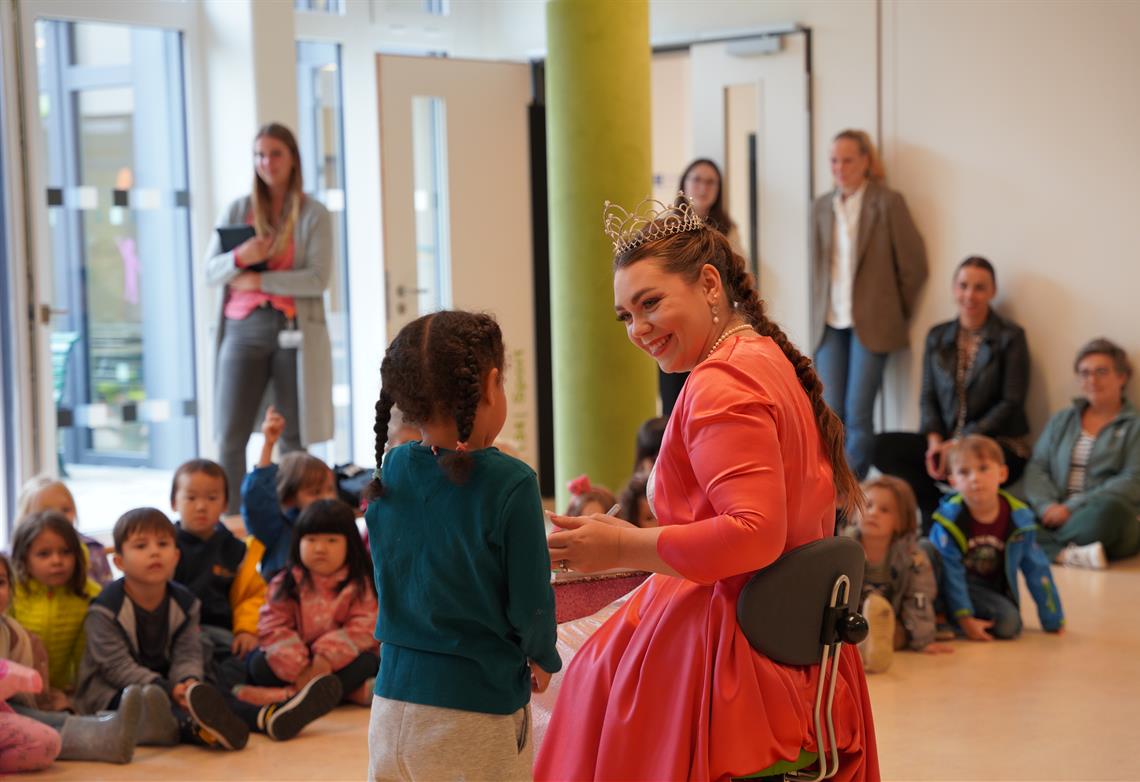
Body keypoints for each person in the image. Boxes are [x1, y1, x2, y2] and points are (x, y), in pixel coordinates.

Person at [536, 195, 877, 780]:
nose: (638, 330)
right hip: (792, 641)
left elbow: (754, 535)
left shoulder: (722, 383)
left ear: (710, 284)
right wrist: (639, 537)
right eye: (625, 316)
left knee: (573, 675)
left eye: (651, 304)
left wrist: (623, 548)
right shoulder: (763, 354)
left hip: (737, 651)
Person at [363, 310, 561, 781]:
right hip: (476, 710)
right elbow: (531, 601)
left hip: (390, 707)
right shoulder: (512, 483)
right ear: (492, 384)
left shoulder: (392, 468)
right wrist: (544, 655)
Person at [73, 508, 342, 750]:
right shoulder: (105, 609)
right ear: (119, 562)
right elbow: (116, 667)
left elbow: (187, 652)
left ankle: (267, 717)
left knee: (210, 691)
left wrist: (186, 681)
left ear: (176, 556)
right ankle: (199, 730)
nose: (154, 552)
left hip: (169, 680)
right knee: (152, 701)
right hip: (116, 689)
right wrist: (167, 687)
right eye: (141, 546)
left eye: (163, 544)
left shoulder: (185, 602)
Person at [205, 123, 334, 515]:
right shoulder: (238, 208)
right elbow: (210, 272)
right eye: (260, 155)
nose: (267, 162)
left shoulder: (314, 213)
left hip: (293, 328)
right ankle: (230, 520)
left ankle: (296, 516)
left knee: (294, 432)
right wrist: (242, 256)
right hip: (243, 328)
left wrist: (260, 278)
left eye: (275, 153)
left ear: (293, 158)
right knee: (231, 432)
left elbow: (317, 278)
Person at [874, 256, 1029, 529]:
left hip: (995, 443)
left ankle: (965, 520)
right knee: (881, 447)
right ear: (953, 288)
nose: (970, 294)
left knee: (984, 458)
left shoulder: (1010, 337)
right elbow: (928, 396)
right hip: (944, 443)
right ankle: (935, 513)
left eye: (980, 287)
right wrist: (935, 443)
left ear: (992, 292)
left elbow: (1011, 402)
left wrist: (962, 442)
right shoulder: (937, 335)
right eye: (963, 285)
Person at [811, 129, 928, 480]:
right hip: (830, 322)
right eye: (834, 160)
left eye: (848, 159)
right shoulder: (821, 206)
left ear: (866, 161)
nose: (840, 167)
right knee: (831, 412)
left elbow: (914, 265)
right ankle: (831, 491)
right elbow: (818, 269)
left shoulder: (887, 202)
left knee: (859, 413)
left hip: (872, 325)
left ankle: (849, 495)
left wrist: (893, 310)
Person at [1, 553, 141, 764]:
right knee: (36, 731)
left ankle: (105, 732)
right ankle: (102, 736)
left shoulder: (9, 631)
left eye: (0, 582)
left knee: (37, 719)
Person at [925, 436, 1064, 641]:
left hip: (984, 590)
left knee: (1010, 625)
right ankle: (941, 614)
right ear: (952, 481)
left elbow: (1038, 569)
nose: (974, 478)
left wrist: (1053, 619)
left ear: (1002, 473)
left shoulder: (1019, 520)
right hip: (945, 584)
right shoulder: (948, 521)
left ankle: (950, 618)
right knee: (925, 549)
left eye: (983, 468)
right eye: (964, 472)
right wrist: (965, 617)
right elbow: (951, 572)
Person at [248, 499, 379, 707]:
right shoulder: (286, 582)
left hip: (339, 660)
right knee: (258, 664)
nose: (320, 548)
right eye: (311, 539)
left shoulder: (360, 583)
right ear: (298, 542)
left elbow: (364, 627)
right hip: (296, 662)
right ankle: (340, 694)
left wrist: (326, 657)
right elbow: (273, 626)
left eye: (331, 540)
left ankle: (294, 696)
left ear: (350, 544)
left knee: (368, 662)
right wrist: (299, 667)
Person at [1023, 338, 1140, 568]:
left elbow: (1132, 480)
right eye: (1084, 373)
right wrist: (1047, 507)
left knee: (1111, 511)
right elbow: (1037, 467)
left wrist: (1070, 508)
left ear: (1122, 377)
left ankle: (1041, 545)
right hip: (1054, 513)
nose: (1092, 380)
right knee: (1003, 507)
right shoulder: (1062, 420)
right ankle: (1066, 554)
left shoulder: (1135, 426)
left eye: (1101, 372)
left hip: (1100, 517)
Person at [170, 459, 267, 689]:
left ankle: (225, 695)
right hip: (182, 635)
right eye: (191, 498)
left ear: (225, 504)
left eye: (211, 498)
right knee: (199, 653)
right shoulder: (167, 545)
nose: (201, 506)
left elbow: (252, 596)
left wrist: (246, 630)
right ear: (174, 502)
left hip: (225, 634)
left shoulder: (235, 550)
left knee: (253, 660)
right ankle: (218, 695)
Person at [660, 161, 743, 417]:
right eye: (697, 179)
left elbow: (737, 276)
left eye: (710, 182)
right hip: (673, 325)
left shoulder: (729, 231)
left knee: (709, 397)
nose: (703, 187)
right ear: (684, 183)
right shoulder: (667, 226)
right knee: (674, 403)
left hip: (713, 326)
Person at [851, 476, 950, 674]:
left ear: (901, 521)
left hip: (890, 620)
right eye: (868, 505)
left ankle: (872, 650)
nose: (873, 513)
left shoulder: (912, 557)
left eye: (884, 510)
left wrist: (923, 640)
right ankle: (858, 647)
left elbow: (919, 597)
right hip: (851, 621)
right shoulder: (843, 548)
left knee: (896, 634)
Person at [8, 513, 101, 699]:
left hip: (62, 690)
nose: (57, 561)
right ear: (24, 558)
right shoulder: (12, 592)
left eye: (66, 551)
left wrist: (76, 688)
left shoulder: (88, 594)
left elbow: (84, 654)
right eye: (44, 554)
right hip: (14, 689)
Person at [241, 406, 338, 578]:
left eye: (330, 490)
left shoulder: (338, 526)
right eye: (315, 492)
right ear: (289, 498)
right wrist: (268, 445)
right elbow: (258, 502)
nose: (327, 498)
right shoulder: (277, 531)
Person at [17, 475, 112, 586]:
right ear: (26, 516)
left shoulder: (92, 549)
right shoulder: (16, 553)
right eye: (47, 511)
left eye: (66, 510)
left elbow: (107, 594)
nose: (59, 517)